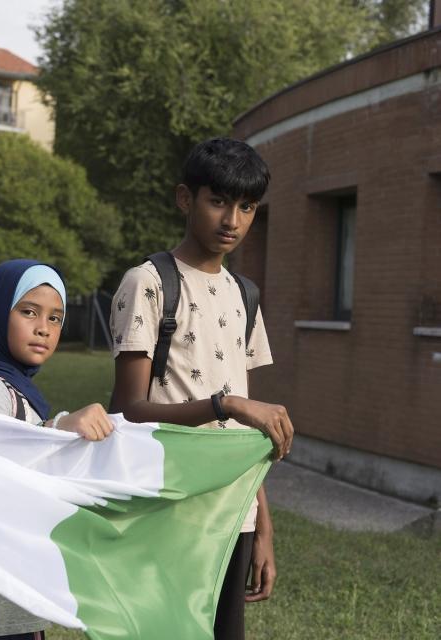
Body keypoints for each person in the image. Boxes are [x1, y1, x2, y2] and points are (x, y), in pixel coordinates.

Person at [107, 137, 294, 640]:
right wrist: (224, 404)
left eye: (247, 206)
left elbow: (246, 438)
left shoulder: (245, 294)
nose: (232, 219)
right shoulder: (147, 283)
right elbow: (130, 411)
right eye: (218, 201)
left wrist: (262, 525)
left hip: (233, 513)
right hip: (167, 504)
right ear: (185, 199)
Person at [0, 258, 114, 640]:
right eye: (28, 311)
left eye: (56, 318)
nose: (43, 328)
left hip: (14, 589)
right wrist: (57, 428)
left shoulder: (16, 387)